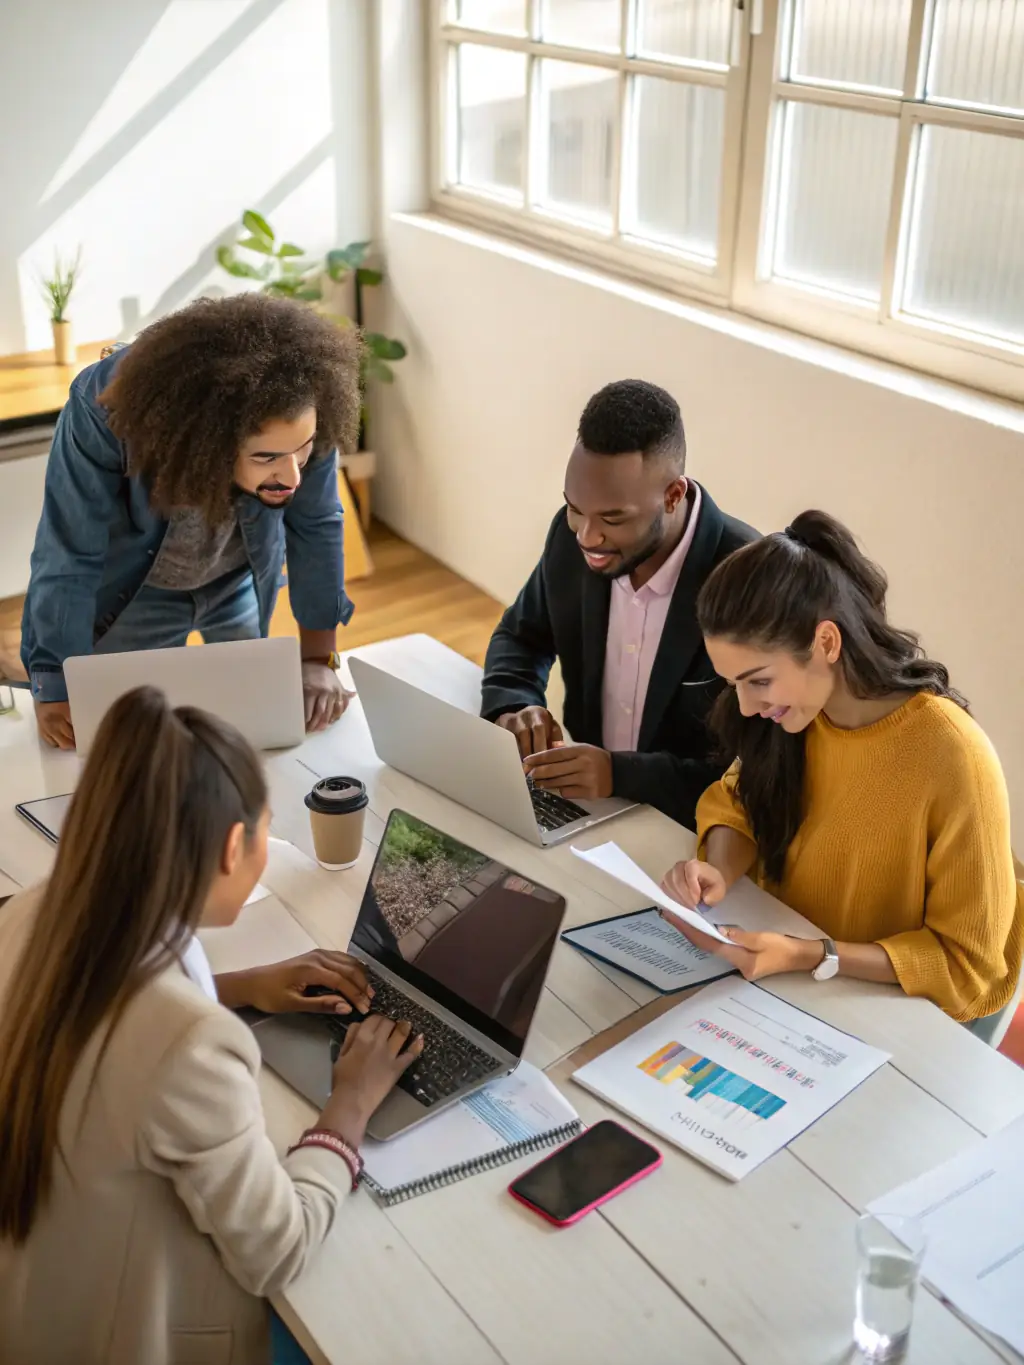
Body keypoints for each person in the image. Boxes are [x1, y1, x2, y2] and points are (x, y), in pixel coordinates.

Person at [0, 687, 423, 1364]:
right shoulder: (191, 1044)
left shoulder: (30, 911)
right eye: (266, 828)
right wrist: (350, 1102)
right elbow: (277, 1249)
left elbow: (102, 1017)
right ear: (234, 847)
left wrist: (238, 986)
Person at [660, 510, 1023, 1038]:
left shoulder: (951, 756)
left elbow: (967, 965)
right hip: (778, 991)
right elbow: (738, 802)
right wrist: (719, 870)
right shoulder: (797, 717)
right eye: (734, 683)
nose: (744, 705)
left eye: (758, 680)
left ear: (826, 642)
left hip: (877, 1020)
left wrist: (811, 955)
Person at [20, 293, 361, 751]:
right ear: (211, 441)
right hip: (135, 590)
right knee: (118, 738)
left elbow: (316, 525)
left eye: (304, 449)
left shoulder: (300, 397)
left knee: (255, 730)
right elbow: (69, 551)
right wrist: (54, 684)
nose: (293, 474)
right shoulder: (102, 412)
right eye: (266, 457)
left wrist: (319, 658)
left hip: (237, 578)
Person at [480, 379, 757, 829]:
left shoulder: (748, 577)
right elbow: (521, 635)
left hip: (690, 833)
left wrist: (620, 774)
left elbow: (753, 769)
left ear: (673, 496)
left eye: (613, 518)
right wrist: (513, 706)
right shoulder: (572, 538)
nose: (587, 536)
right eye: (574, 508)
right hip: (585, 811)